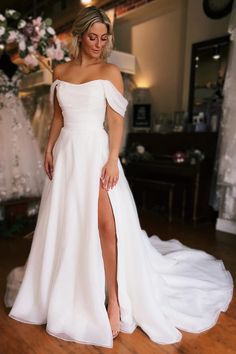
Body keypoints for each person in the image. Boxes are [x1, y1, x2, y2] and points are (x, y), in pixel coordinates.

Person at [7, 6, 233, 349]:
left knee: (106, 226)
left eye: (103, 38)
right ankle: (71, 287)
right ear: (80, 37)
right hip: (67, 155)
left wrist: (112, 160)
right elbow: (56, 117)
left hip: (96, 154)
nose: (98, 43)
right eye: (92, 37)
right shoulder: (61, 70)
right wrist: (49, 149)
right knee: (68, 223)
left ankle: (114, 299)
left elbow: (115, 122)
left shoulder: (111, 72)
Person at [0, 51, 44, 202]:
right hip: (5, 109)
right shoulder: (18, 70)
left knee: (19, 144)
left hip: (14, 110)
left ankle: (20, 184)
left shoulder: (19, 69)